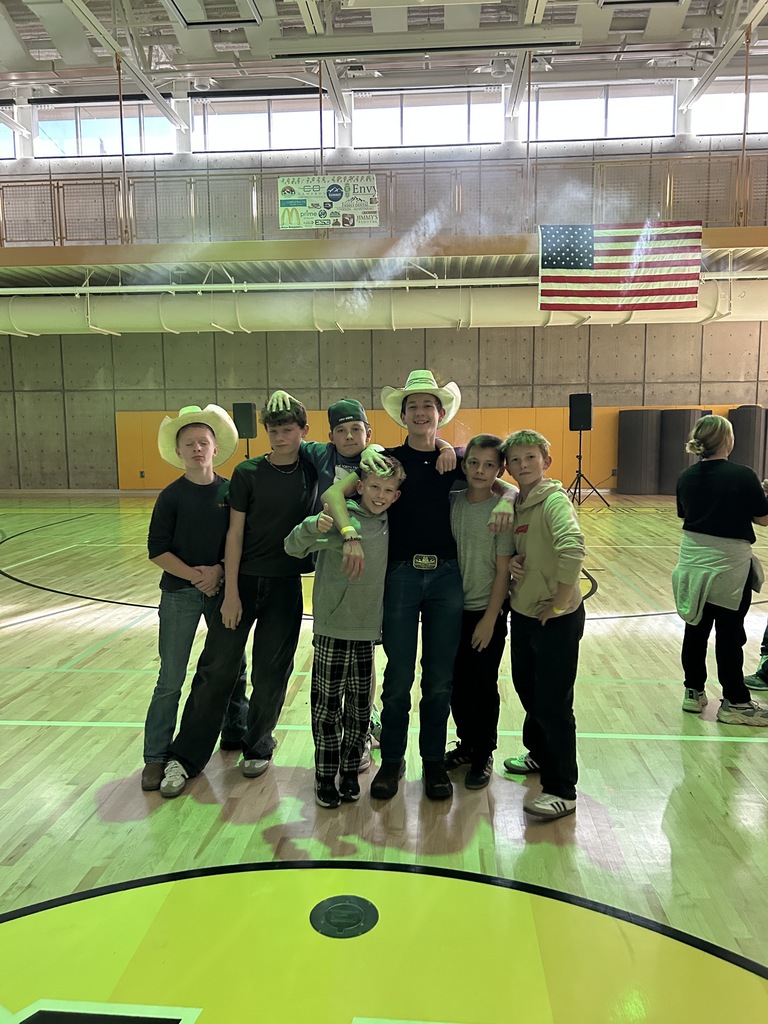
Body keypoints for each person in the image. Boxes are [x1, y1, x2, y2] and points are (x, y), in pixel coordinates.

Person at [324, 369, 515, 802]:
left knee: (439, 680)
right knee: (397, 677)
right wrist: (350, 534)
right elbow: (335, 495)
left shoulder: (457, 460)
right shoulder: (385, 460)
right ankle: (392, 762)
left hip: (447, 577)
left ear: (441, 413)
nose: (421, 411)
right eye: (413, 406)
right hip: (402, 576)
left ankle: (432, 763)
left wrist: (505, 497)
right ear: (403, 415)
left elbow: (500, 483)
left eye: (428, 405)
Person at [159, 397, 317, 797]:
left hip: (285, 586)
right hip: (242, 582)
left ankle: (258, 742)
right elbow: (233, 534)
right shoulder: (248, 473)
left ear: (303, 431)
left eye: (288, 430)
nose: (280, 437)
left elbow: (359, 450)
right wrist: (230, 593)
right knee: (217, 668)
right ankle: (185, 756)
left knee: (271, 673)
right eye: (274, 430)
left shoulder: (314, 467)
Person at [285, 458, 405, 808]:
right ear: (360, 486)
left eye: (388, 490)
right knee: (325, 710)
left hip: (367, 632)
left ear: (396, 497)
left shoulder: (389, 521)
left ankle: (350, 771)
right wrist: (313, 524)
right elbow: (292, 547)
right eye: (374, 487)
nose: (380, 496)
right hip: (332, 628)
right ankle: (325, 774)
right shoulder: (341, 519)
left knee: (359, 710)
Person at [141, 404, 249, 791]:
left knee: (233, 669)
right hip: (181, 595)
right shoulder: (171, 497)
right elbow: (157, 549)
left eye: (203, 442)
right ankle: (156, 755)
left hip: (223, 591)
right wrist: (196, 576)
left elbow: (240, 539)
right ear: (179, 451)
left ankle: (236, 733)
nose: (197, 449)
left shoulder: (230, 491)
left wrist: (218, 571)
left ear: (215, 448)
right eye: (189, 444)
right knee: (170, 678)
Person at [501, 429, 586, 821]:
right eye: (516, 460)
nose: (523, 466)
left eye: (530, 458)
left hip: (554, 618)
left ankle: (562, 789)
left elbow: (571, 545)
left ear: (546, 461)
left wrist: (562, 599)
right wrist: (518, 562)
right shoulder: (519, 502)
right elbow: (531, 546)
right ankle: (538, 755)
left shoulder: (552, 500)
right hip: (524, 612)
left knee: (552, 703)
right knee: (527, 687)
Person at [672, 414, 768, 726]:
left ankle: (693, 690)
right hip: (728, 567)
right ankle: (735, 701)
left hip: (692, 564)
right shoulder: (743, 475)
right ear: (727, 440)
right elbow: (763, 518)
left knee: (695, 629)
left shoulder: (686, 477)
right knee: (729, 633)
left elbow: (685, 513)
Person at [443, 435, 516, 789]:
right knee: (455, 684)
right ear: (464, 464)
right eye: (474, 463)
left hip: (485, 612)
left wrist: (490, 618)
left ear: (499, 470)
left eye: (490, 465)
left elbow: (503, 571)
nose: (480, 470)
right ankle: (467, 745)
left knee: (483, 685)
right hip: (452, 612)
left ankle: (484, 751)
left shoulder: (502, 511)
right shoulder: (453, 500)